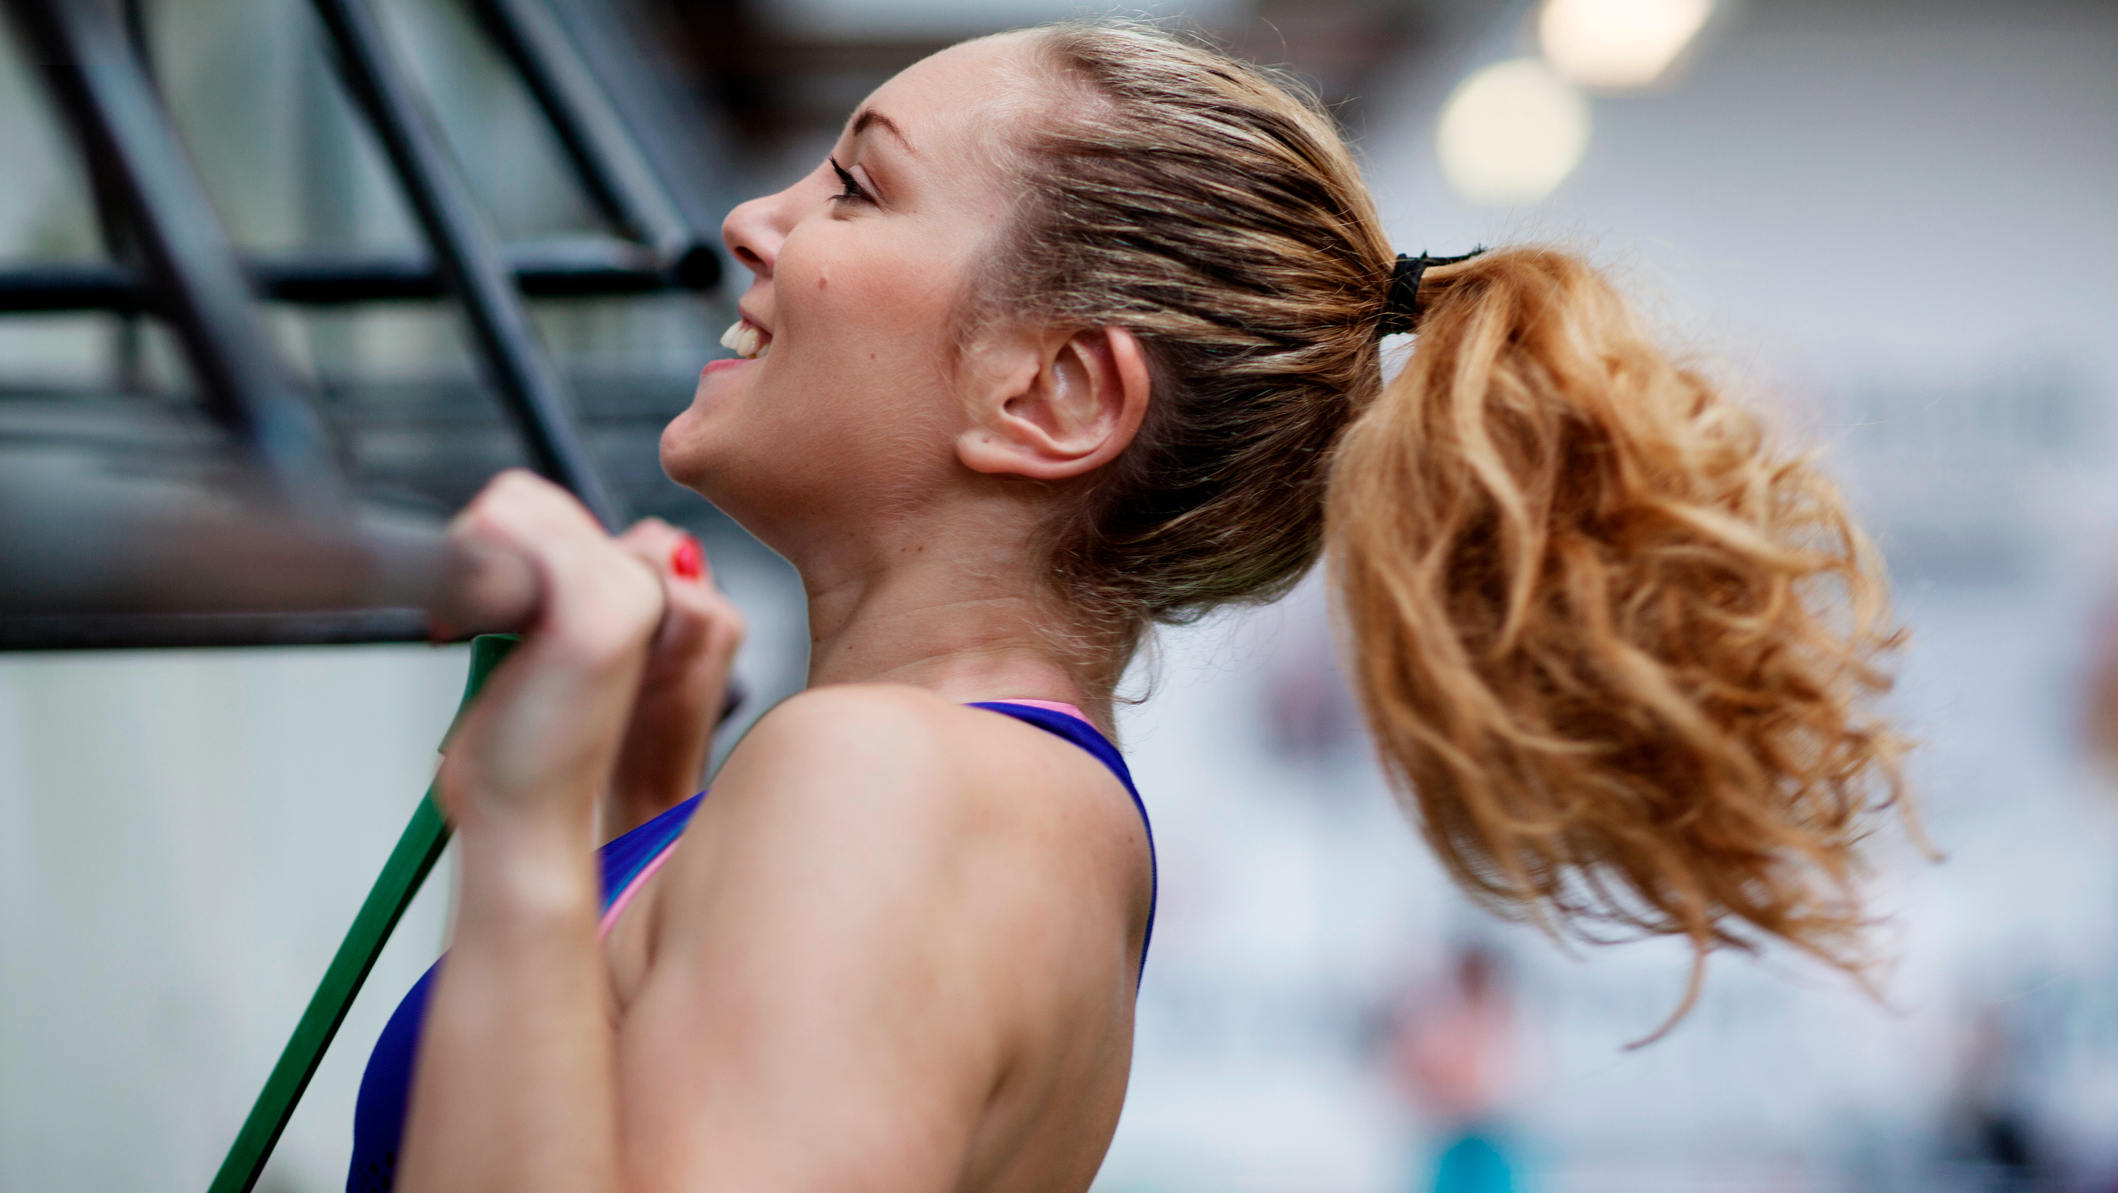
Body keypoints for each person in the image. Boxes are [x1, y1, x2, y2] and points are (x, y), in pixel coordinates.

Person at [348, 20, 1910, 1193]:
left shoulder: (889, 785)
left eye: (854, 184)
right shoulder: (983, 795)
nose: (756, 220)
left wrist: (537, 834)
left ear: (1050, 392)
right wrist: (640, 814)